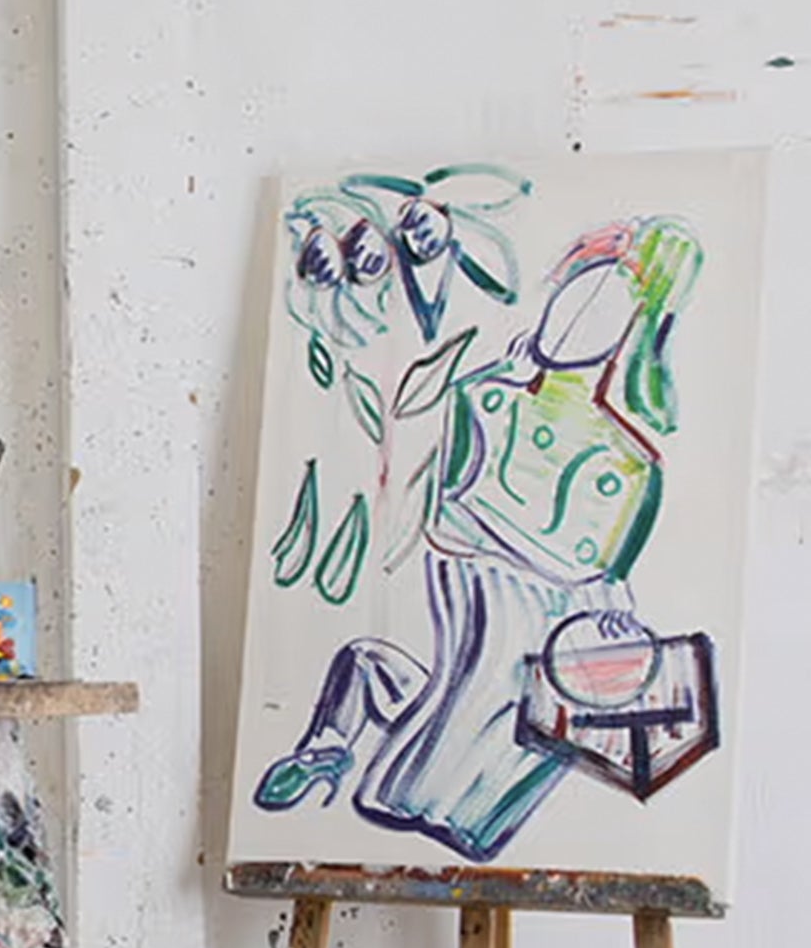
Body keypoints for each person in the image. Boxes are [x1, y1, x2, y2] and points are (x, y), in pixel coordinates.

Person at [253, 216, 702, 861]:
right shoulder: (483, 399)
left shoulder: (631, 465)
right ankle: (333, 739)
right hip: (486, 614)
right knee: (434, 749)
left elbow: (601, 579)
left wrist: (602, 606)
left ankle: (336, 736)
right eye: (574, 291)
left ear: (634, 335)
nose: (575, 317)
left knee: (477, 750)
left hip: (541, 650)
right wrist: (558, 571)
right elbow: (448, 520)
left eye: (608, 307)